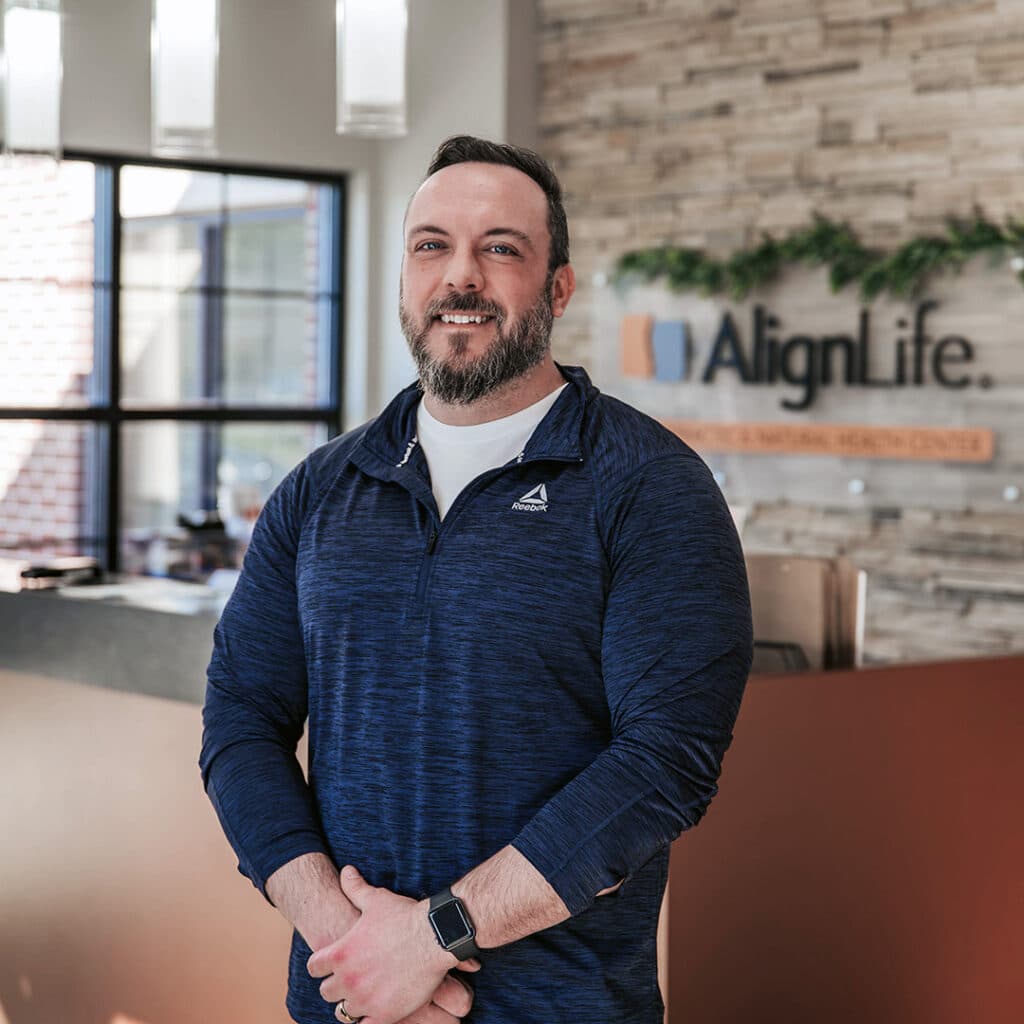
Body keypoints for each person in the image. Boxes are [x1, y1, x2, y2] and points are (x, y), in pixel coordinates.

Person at [200, 135, 753, 1024]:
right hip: (348, 1003)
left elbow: (665, 761)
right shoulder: (320, 489)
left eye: (500, 248)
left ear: (559, 287)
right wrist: (354, 946)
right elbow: (239, 721)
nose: (461, 276)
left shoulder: (650, 485)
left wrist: (428, 941)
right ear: (404, 279)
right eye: (432, 246)